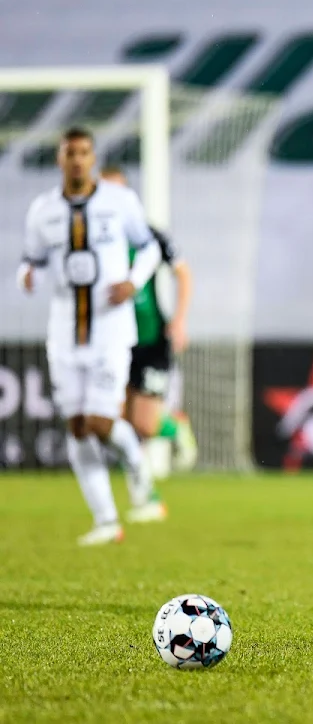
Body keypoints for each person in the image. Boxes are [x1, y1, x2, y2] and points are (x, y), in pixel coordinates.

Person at [18, 128, 166, 545]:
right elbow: (32, 259)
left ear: (94, 157)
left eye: (84, 152)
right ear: (59, 160)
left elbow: (150, 247)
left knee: (101, 420)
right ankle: (106, 521)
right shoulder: (43, 210)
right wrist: (27, 275)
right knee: (79, 426)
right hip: (64, 335)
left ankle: (138, 468)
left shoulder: (119, 202)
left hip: (111, 332)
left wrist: (134, 281)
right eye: (70, 153)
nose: (78, 160)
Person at [99, 166, 198, 474]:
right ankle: (142, 491)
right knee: (114, 419)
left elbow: (183, 273)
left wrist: (179, 320)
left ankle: (175, 427)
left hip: (151, 339)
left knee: (146, 423)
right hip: (113, 341)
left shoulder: (148, 235)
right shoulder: (93, 239)